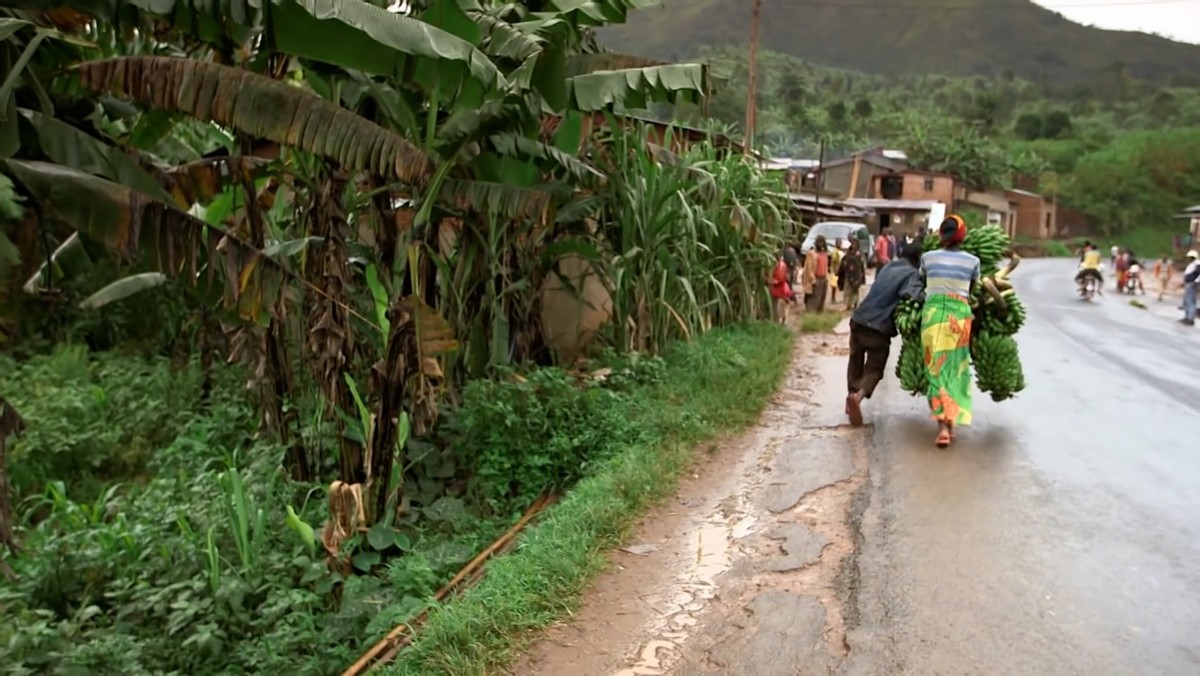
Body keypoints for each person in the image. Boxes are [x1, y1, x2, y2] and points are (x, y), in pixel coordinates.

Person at [844, 242, 925, 427]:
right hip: (878, 328)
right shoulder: (912, 274)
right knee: (874, 369)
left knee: (855, 361)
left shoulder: (888, 267)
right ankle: (858, 396)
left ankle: (850, 396)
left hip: (858, 319)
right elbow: (912, 295)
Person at [919, 215, 981, 448]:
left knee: (935, 368)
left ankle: (943, 426)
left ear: (941, 235)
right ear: (962, 235)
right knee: (955, 368)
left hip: (932, 318)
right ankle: (950, 421)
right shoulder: (972, 261)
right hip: (959, 319)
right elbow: (972, 289)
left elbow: (923, 280)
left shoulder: (927, 257)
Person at [803, 236, 831, 312]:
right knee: (814, 299)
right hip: (815, 279)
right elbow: (809, 268)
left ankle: (819, 315)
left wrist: (827, 277)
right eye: (819, 243)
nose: (821, 245)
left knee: (822, 299)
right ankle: (810, 315)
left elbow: (826, 266)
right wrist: (813, 280)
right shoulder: (812, 253)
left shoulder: (825, 253)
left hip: (823, 278)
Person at [838, 239, 867, 310]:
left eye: (855, 244)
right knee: (847, 290)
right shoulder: (849, 253)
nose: (854, 246)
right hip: (848, 274)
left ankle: (855, 304)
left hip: (857, 275)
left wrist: (862, 276)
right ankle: (848, 305)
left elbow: (862, 265)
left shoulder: (859, 254)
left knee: (855, 291)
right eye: (853, 244)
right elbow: (844, 262)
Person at [769, 251, 794, 323]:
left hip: (780, 289)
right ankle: (779, 321)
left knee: (779, 307)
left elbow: (780, 279)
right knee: (777, 306)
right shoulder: (780, 265)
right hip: (778, 289)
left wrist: (770, 281)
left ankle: (779, 321)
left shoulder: (781, 266)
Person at [1180, 250, 1199, 326]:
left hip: (1192, 284)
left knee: (1190, 301)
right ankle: (1187, 317)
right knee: (1187, 300)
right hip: (1189, 283)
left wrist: (1196, 281)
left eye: (1190, 257)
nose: (1189, 259)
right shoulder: (1192, 264)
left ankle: (1190, 318)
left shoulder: (1197, 264)